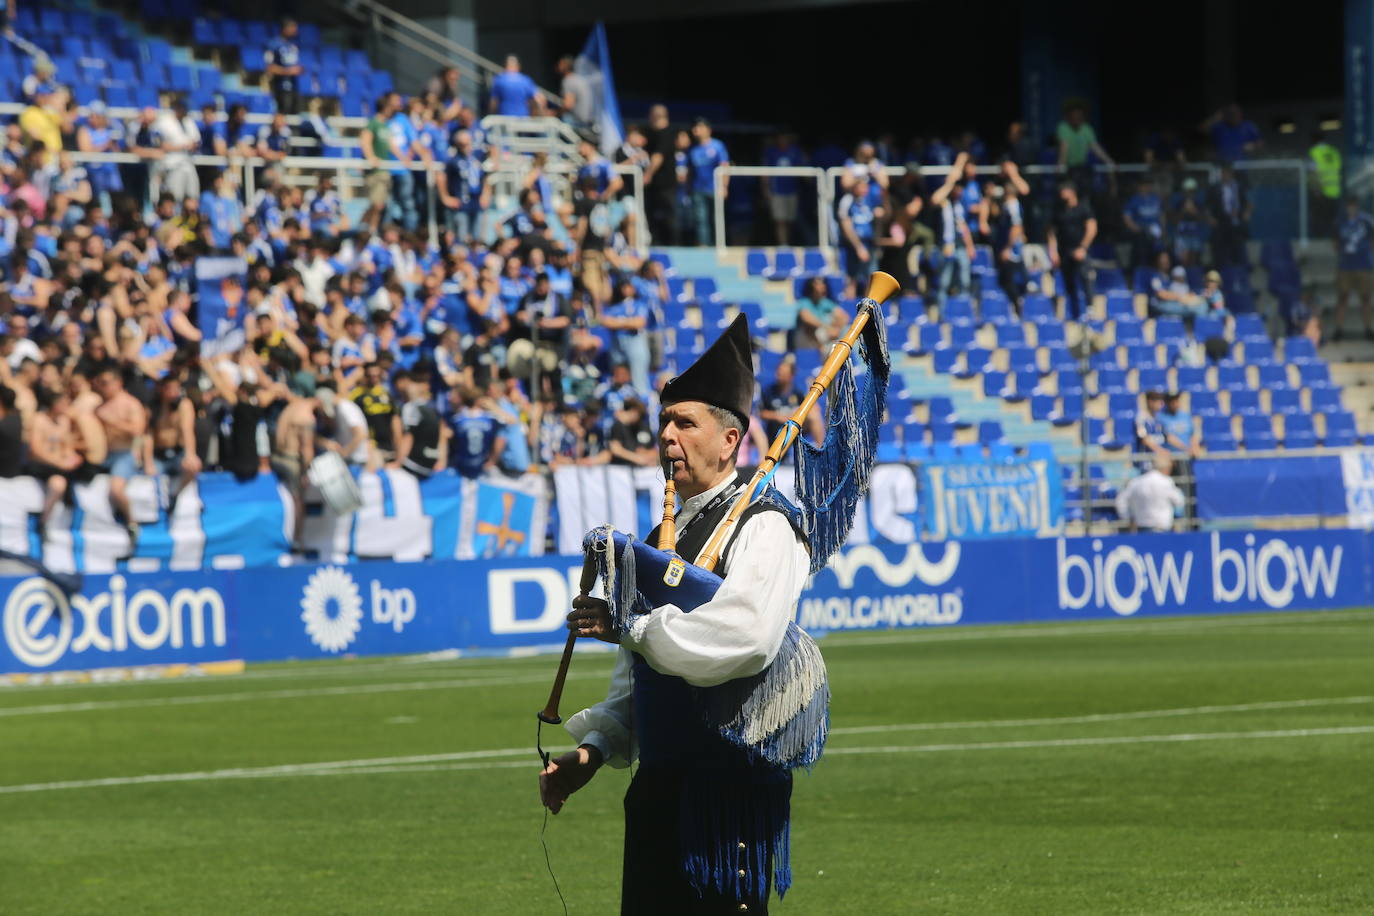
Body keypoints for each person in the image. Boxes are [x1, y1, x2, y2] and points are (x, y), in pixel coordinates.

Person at [541, 314, 814, 914]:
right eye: (665, 421)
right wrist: (591, 751)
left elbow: (745, 638)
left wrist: (632, 627)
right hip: (657, 793)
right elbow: (637, 681)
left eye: (685, 423)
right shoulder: (655, 539)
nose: (667, 436)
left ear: (729, 441)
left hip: (726, 803)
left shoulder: (766, 524)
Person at [1048, 180, 1096, 320]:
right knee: (1069, 283)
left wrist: (1083, 248)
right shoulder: (1058, 211)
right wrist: (1053, 252)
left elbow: (1092, 228)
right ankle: (1074, 313)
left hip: (1081, 251)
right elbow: (1051, 232)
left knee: (1085, 277)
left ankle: (1090, 308)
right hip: (1064, 252)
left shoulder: (1083, 209)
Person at [1334, 196, 1374, 342]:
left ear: (1358, 205)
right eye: (1349, 205)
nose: (1351, 208)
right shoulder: (1340, 221)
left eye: (1354, 205)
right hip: (1345, 266)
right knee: (1342, 298)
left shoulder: (1367, 221)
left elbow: (1372, 240)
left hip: (1363, 266)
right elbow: (1336, 242)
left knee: (1366, 298)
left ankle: (1368, 329)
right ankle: (1339, 330)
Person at [1115, 454, 1185, 533]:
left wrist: (1128, 517)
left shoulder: (1136, 482)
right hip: (1162, 526)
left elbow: (1120, 501)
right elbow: (1179, 501)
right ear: (1166, 468)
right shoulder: (1167, 482)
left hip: (1142, 526)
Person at [687, 118, 729, 246]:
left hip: (715, 188)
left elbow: (724, 167)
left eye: (699, 127)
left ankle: (719, 246)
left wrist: (724, 186)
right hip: (698, 189)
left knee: (717, 218)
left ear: (708, 129)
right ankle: (704, 246)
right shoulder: (692, 150)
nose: (696, 130)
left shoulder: (718, 146)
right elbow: (690, 171)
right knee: (700, 219)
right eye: (694, 128)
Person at [447, 385, 504, 479]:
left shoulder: (458, 419)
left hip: (470, 466)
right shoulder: (488, 418)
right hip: (472, 466)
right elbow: (511, 424)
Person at [398, 375, 448, 479]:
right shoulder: (434, 408)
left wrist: (399, 461)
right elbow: (443, 436)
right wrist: (442, 460)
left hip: (412, 463)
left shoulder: (411, 407)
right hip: (431, 464)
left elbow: (409, 436)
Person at [643, 104, 678, 245]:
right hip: (657, 185)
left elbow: (658, 157)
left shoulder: (667, 133)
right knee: (656, 216)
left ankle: (672, 244)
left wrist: (648, 174)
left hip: (666, 183)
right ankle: (659, 242)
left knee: (668, 216)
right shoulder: (653, 135)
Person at [1056, 101, 1114, 188]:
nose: (1077, 118)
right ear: (1069, 116)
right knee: (1068, 192)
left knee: (1085, 188)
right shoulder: (1063, 127)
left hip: (1082, 167)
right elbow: (1064, 147)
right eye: (1074, 115)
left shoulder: (1086, 128)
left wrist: (1108, 160)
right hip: (1067, 168)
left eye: (1079, 116)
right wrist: (1061, 165)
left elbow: (1095, 146)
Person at [761, 132, 805, 245]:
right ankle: (783, 244)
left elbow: (803, 167)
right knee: (780, 220)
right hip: (777, 191)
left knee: (790, 219)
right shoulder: (771, 152)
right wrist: (766, 189)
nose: (783, 140)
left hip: (792, 190)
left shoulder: (795, 151)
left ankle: (789, 242)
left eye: (785, 137)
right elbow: (765, 171)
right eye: (780, 138)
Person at [155, 98, 201, 203]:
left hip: (188, 163)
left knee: (192, 196)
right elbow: (160, 144)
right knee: (175, 197)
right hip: (172, 165)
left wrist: (192, 146)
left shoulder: (188, 122)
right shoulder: (164, 122)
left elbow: (197, 141)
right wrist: (182, 146)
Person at [836, 177, 878, 289]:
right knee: (852, 279)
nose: (865, 189)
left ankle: (869, 306)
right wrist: (859, 247)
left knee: (871, 279)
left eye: (866, 186)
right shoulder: (847, 200)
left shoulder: (868, 200)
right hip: (852, 246)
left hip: (869, 244)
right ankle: (850, 304)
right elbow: (846, 226)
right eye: (861, 186)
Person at [1206, 163, 1250, 269]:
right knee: (1219, 249)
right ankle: (1219, 269)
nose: (1225, 176)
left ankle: (1237, 271)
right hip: (1220, 222)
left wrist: (1246, 212)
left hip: (1235, 222)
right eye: (1223, 173)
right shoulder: (1215, 188)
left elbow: (1247, 203)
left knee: (1237, 248)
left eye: (1228, 173)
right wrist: (1210, 218)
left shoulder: (1238, 187)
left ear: (1231, 174)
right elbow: (1207, 205)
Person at [264, 19, 304, 115]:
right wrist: (288, 71)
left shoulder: (293, 46)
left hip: (295, 87)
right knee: (283, 115)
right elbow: (269, 68)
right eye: (292, 27)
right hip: (280, 88)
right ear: (285, 28)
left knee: (296, 118)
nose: (295, 30)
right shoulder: (273, 44)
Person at [759, 359, 802, 441]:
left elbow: (807, 410)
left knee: (813, 415)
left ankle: (818, 447)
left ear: (790, 376)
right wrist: (777, 416)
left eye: (782, 374)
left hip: (795, 429)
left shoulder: (797, 392)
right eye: (778, 373)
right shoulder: (769, 391)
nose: (778, 376)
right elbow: (762, 413)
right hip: (775, 431)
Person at [1308, 131, 1341, 233]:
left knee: (1319, 219)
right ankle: (1333, 238)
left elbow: (1313, 172)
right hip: (1335, 190)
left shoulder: (1314, 152)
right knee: (1332, 218)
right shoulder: (1334, 151)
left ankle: (1320, 238)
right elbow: (1338, 168)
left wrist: (1315, 189)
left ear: (1313, 141)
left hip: (1321, 191)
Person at [556, 55, 593, 129]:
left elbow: (568, 105)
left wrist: (556, 114)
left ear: (566, 66)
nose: (557, 66)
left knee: (553, 123)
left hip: (577, 121)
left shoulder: (568, 80)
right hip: (588, 120)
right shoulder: (580, 79)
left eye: (560, 64)